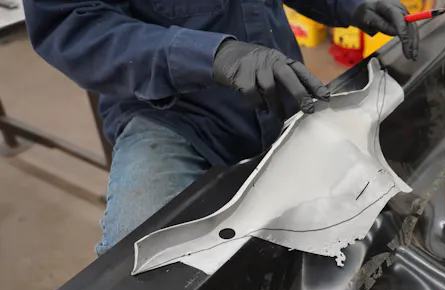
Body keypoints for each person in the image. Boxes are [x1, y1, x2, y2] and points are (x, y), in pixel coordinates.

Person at [23, 0, 419, 255]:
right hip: (170, 115)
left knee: (380, 220)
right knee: (139, 268)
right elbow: (72, 24)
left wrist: (350, 5)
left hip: (280, 92)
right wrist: (208, 56)